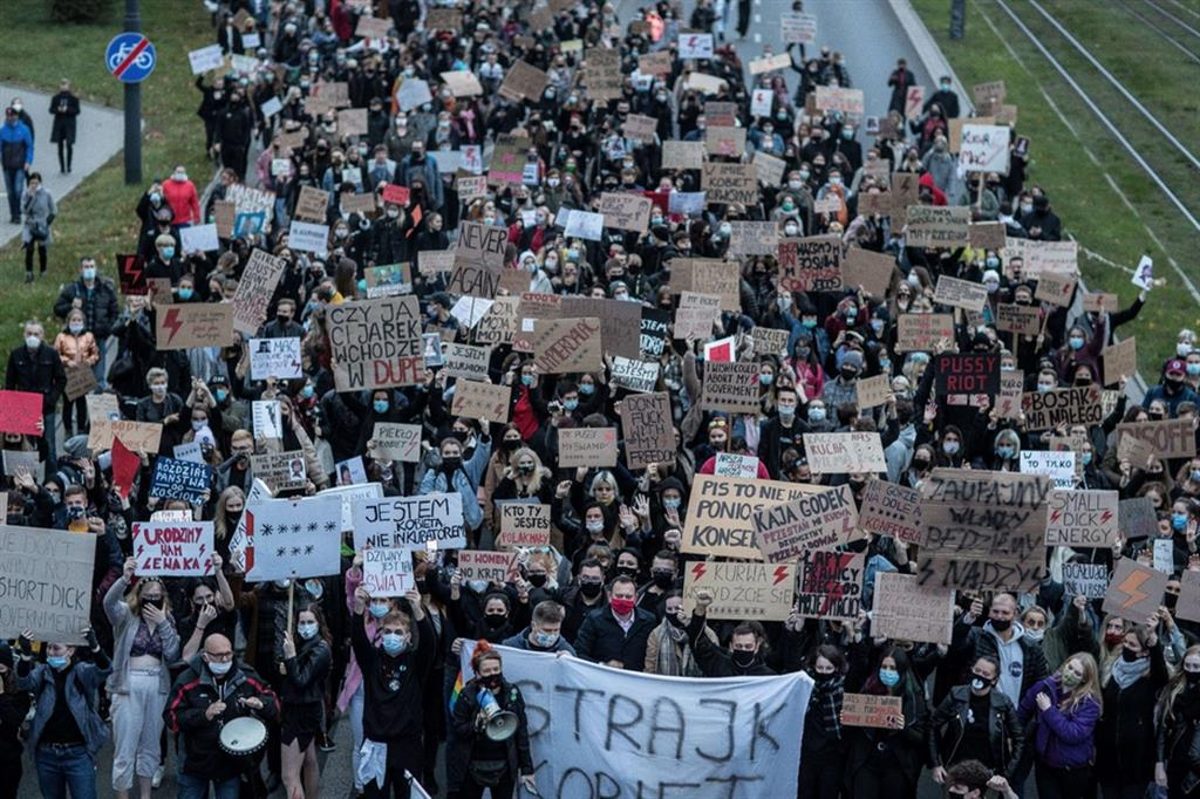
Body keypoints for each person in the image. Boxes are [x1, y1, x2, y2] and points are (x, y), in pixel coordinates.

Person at [164, 633, 281, 799]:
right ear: (205, 656)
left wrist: (261, 705)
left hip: (230, 765)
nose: (225, 660)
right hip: (195, 763)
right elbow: (171, 717)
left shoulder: (245, 676)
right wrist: (203, 715)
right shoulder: (187, 681)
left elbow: (273, 702)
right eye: (219, 656)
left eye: (228, 654)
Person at [103, 558, 180, 799]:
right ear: (139, 594)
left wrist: (163, 623)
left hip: (157, 685)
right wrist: (124, 578)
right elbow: (108, 603)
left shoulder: (167, 618)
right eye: (148, 593)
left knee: (151, 745)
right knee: (125, 748)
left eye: (157, 594)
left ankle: (145, 795)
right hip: (127, 685)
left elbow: (172, 653)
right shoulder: (126, 615)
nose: (153, 598)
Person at [350, 587, 435, 799]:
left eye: (398, 632)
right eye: (387, 632)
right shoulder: (372, 662)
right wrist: (359, 609)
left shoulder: (415, 663)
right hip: (376, 744)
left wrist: (417, 609)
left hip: (407, 746)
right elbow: (358, 639)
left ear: (408, 637)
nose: (392, 636)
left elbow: (429, 643)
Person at [14, 627, 111, 799]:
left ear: (71, 651)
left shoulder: (81, 672)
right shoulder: (43, 672)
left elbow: (103, 670)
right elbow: (24, 682)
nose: (51, 653)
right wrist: (25, 656)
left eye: (57, 648)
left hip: (78, 754)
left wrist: (95, 647)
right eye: (49, 648)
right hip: (47, 755)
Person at [448, 641, 537, 799]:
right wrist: (476, 725)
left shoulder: (512, 693)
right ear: (477, 673)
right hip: (472, 765)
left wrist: (527, 769)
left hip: (504, 766)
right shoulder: (467, 695)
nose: (493, 674)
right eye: (487, 671)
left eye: (496, 669)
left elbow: (521, 732)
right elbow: (458, 729)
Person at [1018, 652, 1102, 799]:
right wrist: (1016, 735)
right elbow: (1024, 709)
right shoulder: (1045, 687)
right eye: (1070, 667)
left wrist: (1048, 710)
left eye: (1077, 673)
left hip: (1072, 769)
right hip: (1046, 764)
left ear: (1084, 679)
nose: (1070, 674)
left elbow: (1073, 734)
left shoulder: (1089, 703)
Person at [928, 656, 1023, 784]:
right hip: (955, 769)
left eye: (986, 674)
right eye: (977, 671)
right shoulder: (956, 695)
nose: (980, 676)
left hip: (990, 775)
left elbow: (1019, 738)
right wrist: (936, 764)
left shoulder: (1003, 703)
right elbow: (933, 726)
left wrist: (1006, 774)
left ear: (994, 680)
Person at [280, 605, 333, 799]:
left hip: (300, 713)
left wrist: (291, 658)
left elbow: (301, 680)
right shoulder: (304, 644)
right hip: (305, 708)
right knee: (309, 760)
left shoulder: (320, 650)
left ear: (319, 623)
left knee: (289, 776)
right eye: (302, 622)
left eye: (310, 622)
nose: (305, 626)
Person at [574, 575, 657, 670]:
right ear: (609, 596)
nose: (623, 600)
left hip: (636, 679)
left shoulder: (648, 621)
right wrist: (602, 665)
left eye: (628, 597)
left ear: (636, 598)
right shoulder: (594, 619)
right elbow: (579, 652)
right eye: (619, 596)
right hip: (602, 678)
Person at [21, 171, 56, 281]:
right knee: (29, 249)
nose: (34, 185)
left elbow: (54, 210)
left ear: (40, 183)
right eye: (32, 183)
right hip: (30, 224)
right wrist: (31, 198)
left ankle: (43, 270)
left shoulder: (47, 193)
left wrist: (47, 224)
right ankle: (29, 272)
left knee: (42, 249)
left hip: (42, 223)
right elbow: (24, 210)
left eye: (36, 183)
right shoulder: (26, 194)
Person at [1, 105, 33, 223]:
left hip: (20, 165)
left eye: (12, 116)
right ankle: (13, 213)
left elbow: (30, 147)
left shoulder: (24, 130)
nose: (10, 118)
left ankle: (18, 213)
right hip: (7, 165)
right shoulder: (2, 130)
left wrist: (28, 161)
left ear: (16, 116)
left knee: (18, 189)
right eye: (8, 116)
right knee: (10, 191)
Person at [50, 78, 80, 173]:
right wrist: (58, 109)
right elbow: (51, 110)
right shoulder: (56, 98)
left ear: (69, 86)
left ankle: (69, 165)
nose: (63, 86)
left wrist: (67, 109)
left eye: (65, 84)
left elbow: (77, 111)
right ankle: (62, 167)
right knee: (60, 146)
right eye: (62, 84)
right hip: (59, 124)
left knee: (69, 145)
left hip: (69, 124)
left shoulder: (73, 98)